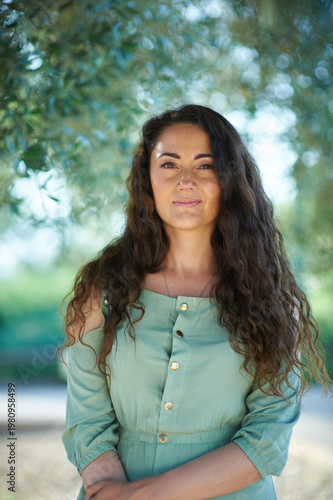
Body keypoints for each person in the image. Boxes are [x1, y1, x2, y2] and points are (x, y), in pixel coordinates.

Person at [60, 104, 331, 500]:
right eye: (169, 165)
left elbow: (267, 440)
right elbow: (87, 422)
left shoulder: (271, 300)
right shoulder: (103, 289)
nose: (186, 181)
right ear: (147, 177)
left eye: (205, 166)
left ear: (230, 179)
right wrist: (106, 488)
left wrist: (136, 497)